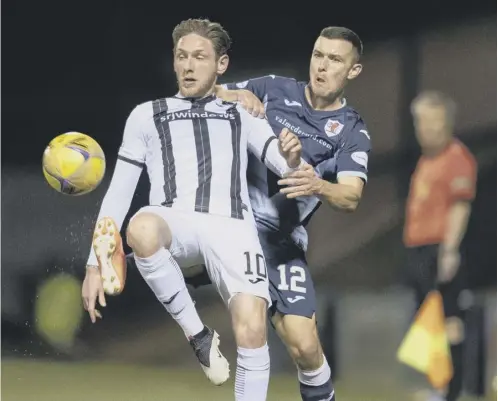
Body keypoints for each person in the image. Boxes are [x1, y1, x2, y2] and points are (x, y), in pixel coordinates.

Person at [81, 18, 305, 401]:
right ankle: (198, 335)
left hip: (233, 226)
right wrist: (93, 264)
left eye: (199, 57)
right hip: (176, 220)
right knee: (140, 228)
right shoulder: (146, 114)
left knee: (252, 330)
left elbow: (281, 163)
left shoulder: (241, 112)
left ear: (221, 64)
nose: (188, 65)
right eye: (181, 56)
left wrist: (293, 158)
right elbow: (119, 190)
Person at [187, 26, 371, 401]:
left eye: (335, 60)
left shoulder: (351, 131)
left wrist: (319, 184)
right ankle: (127, 254)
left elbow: (351, 196)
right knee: (162, 243)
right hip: (231, 223)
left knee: (304, 346)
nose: (322, 66)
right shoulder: (273, 89)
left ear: (353, 71)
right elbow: (206, 95)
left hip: (280, 242)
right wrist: (233, 93)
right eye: (318, 54)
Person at [403, 91, 477, 401]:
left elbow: (460, 206)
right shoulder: (426, 160)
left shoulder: (457, 157)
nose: (423, 128)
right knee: (430, 322)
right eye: (419, 122)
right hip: (420, 249)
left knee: (450, 321)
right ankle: (440, 387)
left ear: (444, 122)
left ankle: (454, 391)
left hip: (439, 249)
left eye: (429, 121)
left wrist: (449, 250)